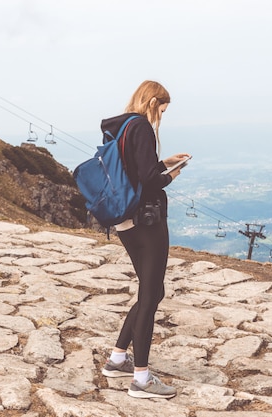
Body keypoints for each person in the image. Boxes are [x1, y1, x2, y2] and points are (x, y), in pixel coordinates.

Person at [100, 80, 189, 399]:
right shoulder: (142, 128)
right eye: (162, 109)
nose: (162, 116)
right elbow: (150, 181)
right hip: (145, 222)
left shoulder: (122, 126)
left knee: (152, 291)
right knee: (150, 295)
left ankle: (117, 359)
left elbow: (135, 171)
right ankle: (142, 379)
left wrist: (163, 164)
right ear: (152, 102)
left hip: (124, 220)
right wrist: (172, 174)